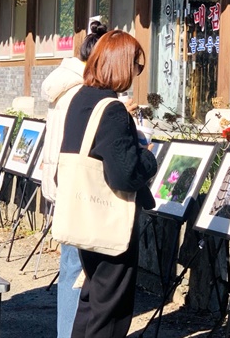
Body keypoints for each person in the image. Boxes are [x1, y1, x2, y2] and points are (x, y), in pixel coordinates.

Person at [60, 30, 157, 338]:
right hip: (110, 220)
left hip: (84, 212)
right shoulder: (112, 109)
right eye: (136, 64)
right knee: (111, 311)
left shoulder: (81, 98)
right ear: (120, 65)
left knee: (92, 299)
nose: (136, 72)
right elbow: (124, 174)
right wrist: (148, 157)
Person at [40, 21, 108, 338]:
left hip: (59, 181)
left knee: (70, 266)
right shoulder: (83, 91)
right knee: (76, 272)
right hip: (77, 188)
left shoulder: (63, 83)